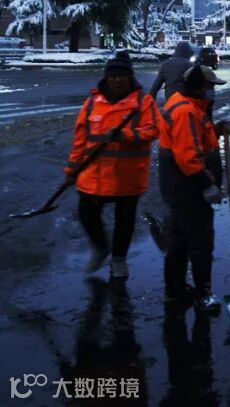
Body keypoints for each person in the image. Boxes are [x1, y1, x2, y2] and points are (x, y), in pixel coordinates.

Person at [66, 51, 160, 279]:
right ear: (106, 77)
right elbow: (80, 139)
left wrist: (126, 135)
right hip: (93, 173)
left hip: (127, 175)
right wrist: (72, 169)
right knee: (86, 212)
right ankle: (101, 247)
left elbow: (154, 129)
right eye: (113, 76)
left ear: (130, 77)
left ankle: (119, 259)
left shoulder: (143, 102)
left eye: (122, 76)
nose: (117, 80)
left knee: (124, 221)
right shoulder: (92, 103)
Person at [159, 65, 230, 312]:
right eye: (210, 87)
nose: (212, 91)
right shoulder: (186, 111)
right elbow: (188, 157)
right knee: (201, 242)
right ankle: (203, 293)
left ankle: (174, 290)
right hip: (189, 189)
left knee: (179, 240)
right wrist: (207, 185)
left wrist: (216, 131)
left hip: (178, 188)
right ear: (199, 86)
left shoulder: (188, 106)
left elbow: (194, 140)